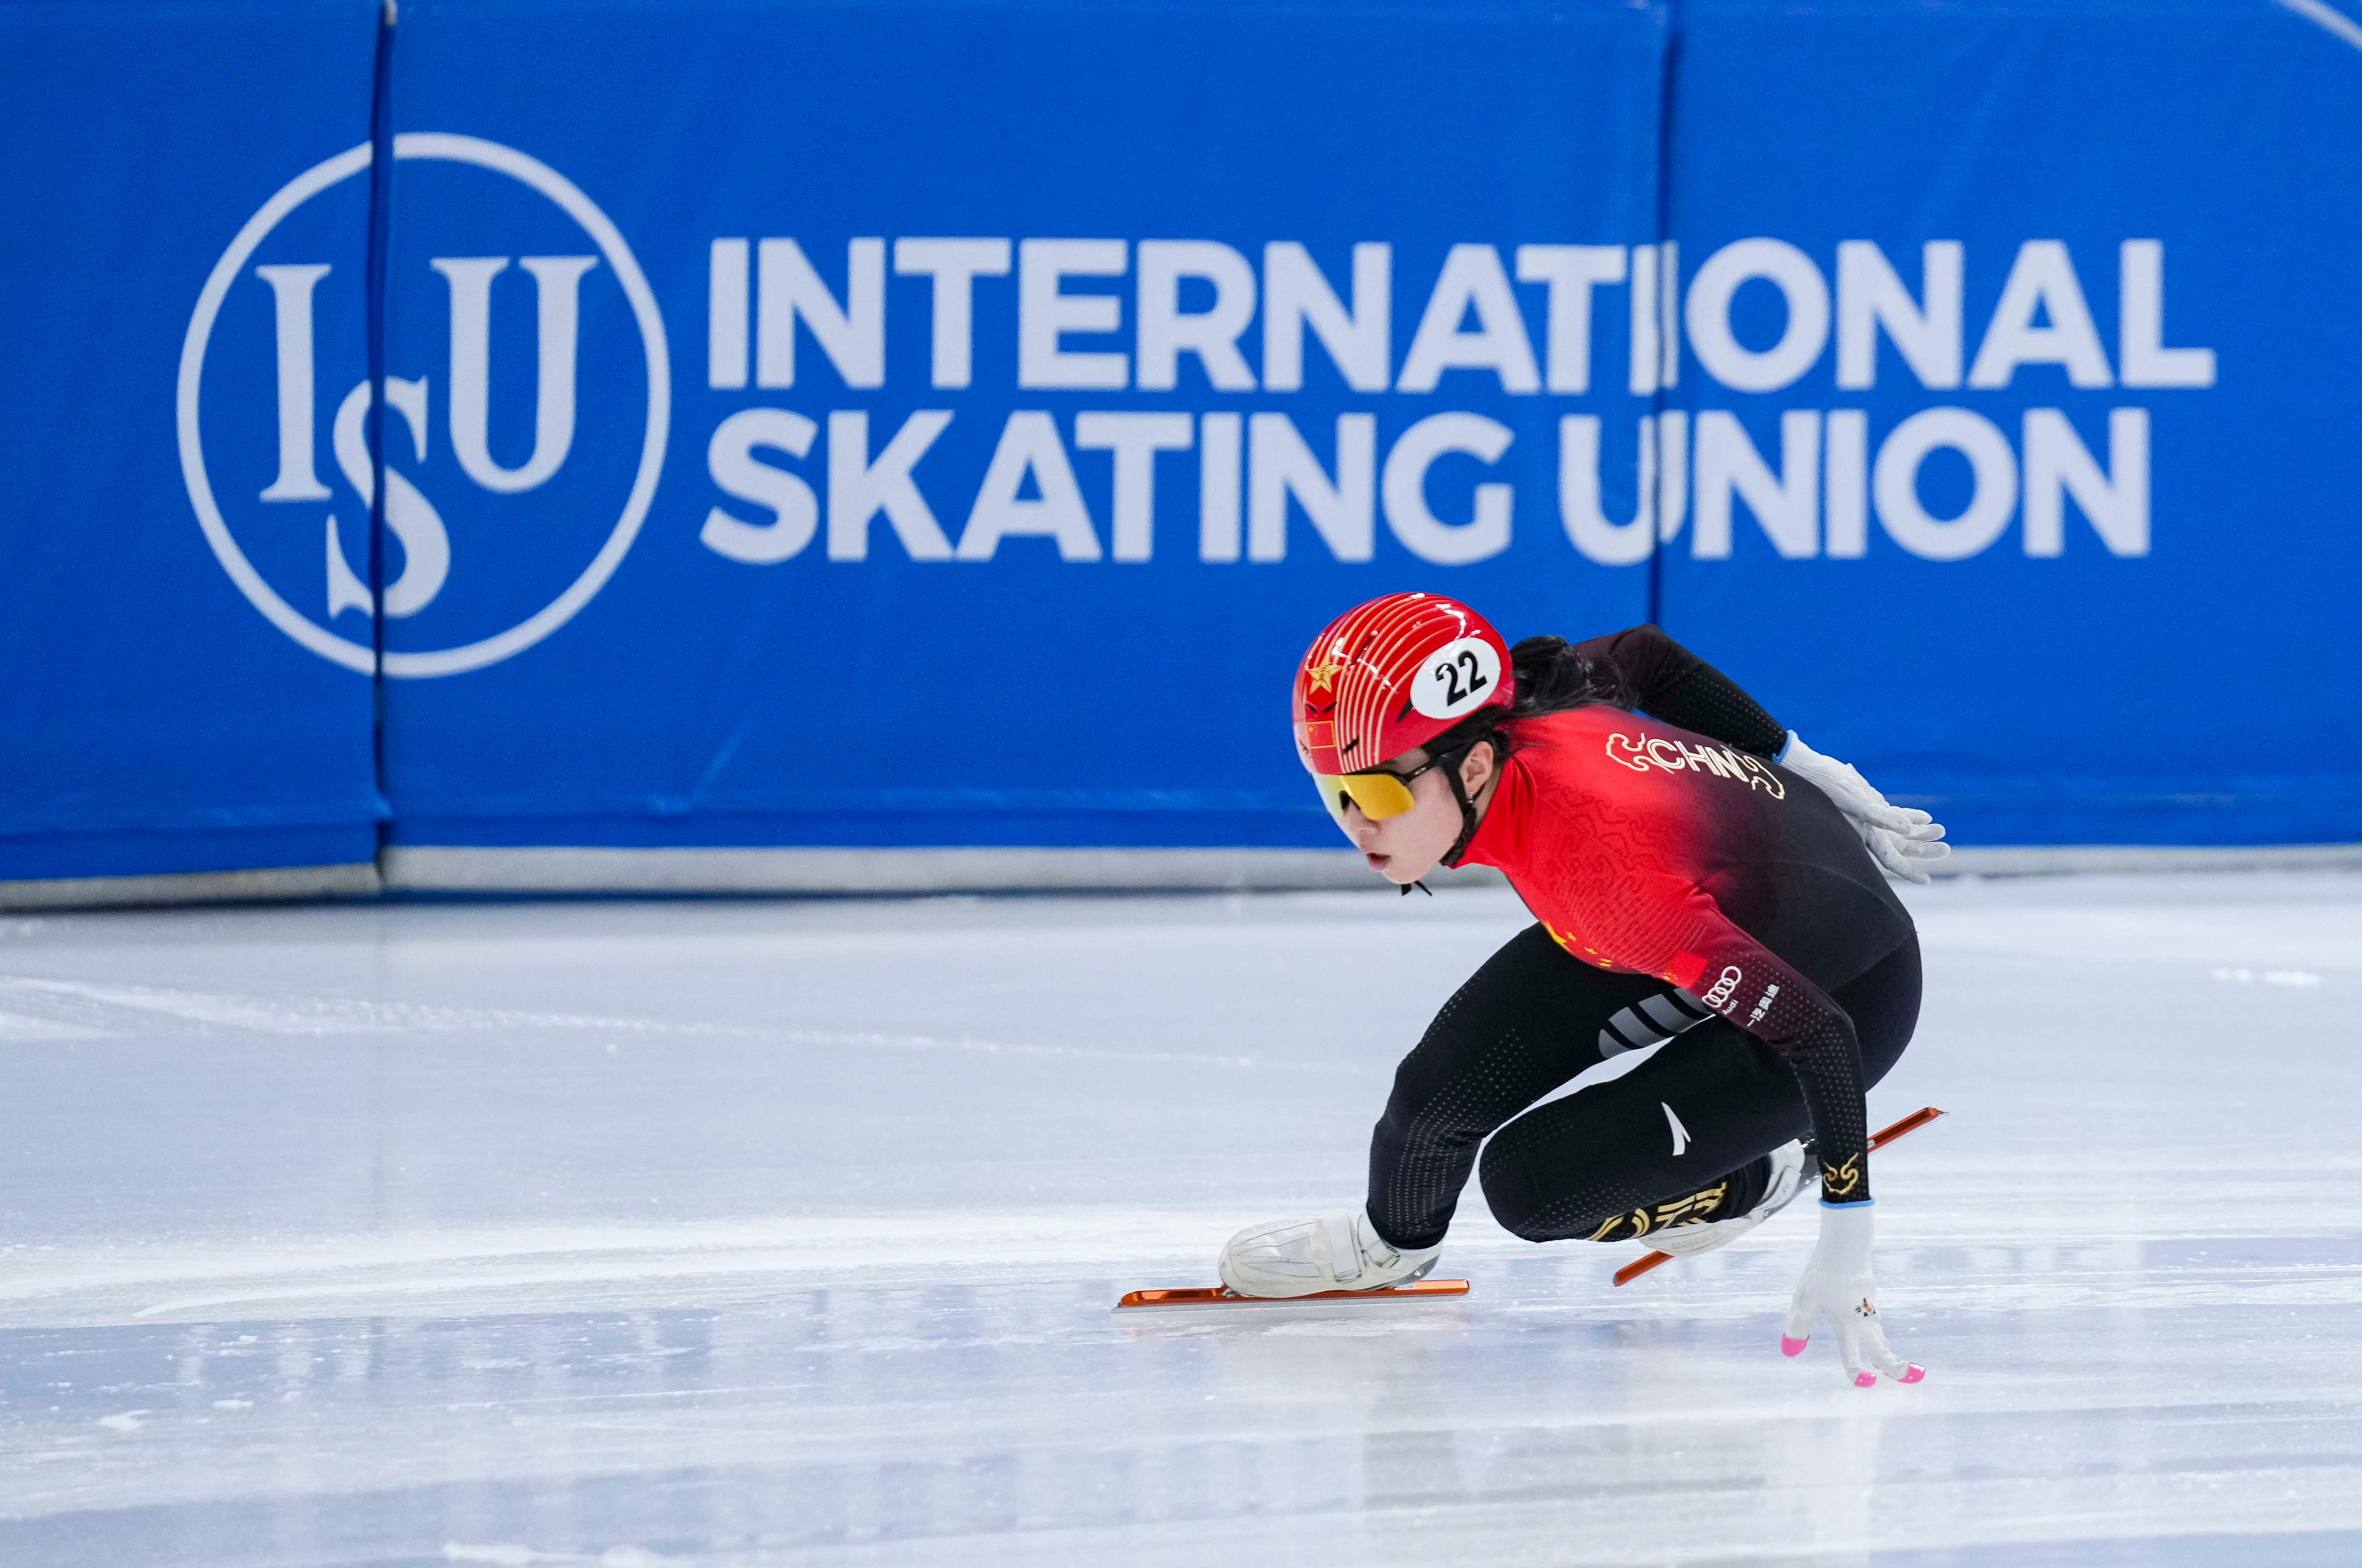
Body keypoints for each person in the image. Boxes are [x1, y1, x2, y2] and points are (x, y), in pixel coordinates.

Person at [1217, 592, 1947, 1387]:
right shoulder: (1525, 708)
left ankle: (1757, 1177)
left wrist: (1848, 1239)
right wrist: (1804, 762)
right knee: (1430, 1101)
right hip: (1715, 892)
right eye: (1337, 796)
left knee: (1537, 1189)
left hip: (1851, 980)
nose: (1358, 827)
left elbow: (1822, 1033)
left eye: (1381, 797)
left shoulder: (1612, 881)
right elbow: (1642, 654)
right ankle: (1393, 1243)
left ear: (1472, 766)